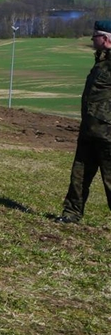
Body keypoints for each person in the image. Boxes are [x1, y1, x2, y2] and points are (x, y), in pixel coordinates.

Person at [55, 20, 111, 224]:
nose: (92, 39)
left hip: (107, 134)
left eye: (95, 36)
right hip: (89, 131)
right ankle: (71, 213)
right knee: (79, 176)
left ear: (105, 39)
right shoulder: (101, 61)